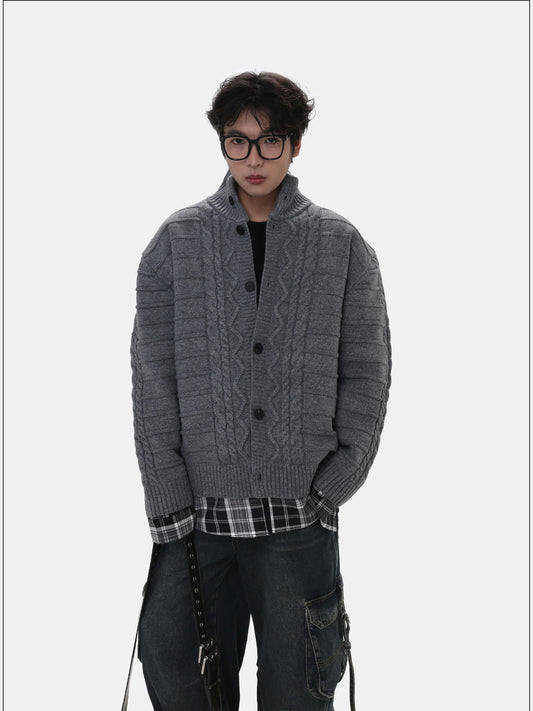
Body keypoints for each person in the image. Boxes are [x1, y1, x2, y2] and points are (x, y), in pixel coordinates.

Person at [129, 70, 392, 711]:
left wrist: (336, 482)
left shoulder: (342, 245)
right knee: (179, 676)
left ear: (295, 145)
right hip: (195, 519)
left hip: (297, 517)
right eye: (237, 141)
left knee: (298, 690)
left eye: (270, 140)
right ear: (221, 143)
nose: (253, 158)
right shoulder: (176, 242)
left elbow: (368, 370)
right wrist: (166, 494)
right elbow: (151, 377)